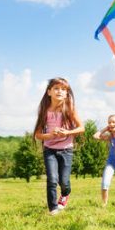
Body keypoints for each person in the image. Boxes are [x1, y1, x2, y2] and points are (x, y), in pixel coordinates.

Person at [33, 77, 84, 215]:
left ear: (67, 93)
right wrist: (50, 135)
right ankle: (53, 208)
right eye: (56, 88)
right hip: (49, 150)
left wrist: (67, 132)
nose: (59, 91)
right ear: (49, 92)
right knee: (52, 179)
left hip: (67, 150)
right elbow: (38, 134)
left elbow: (81, 128)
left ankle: (65, 194)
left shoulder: (70, 109)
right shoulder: (44, 111)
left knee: (64, 182)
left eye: (63, 89)